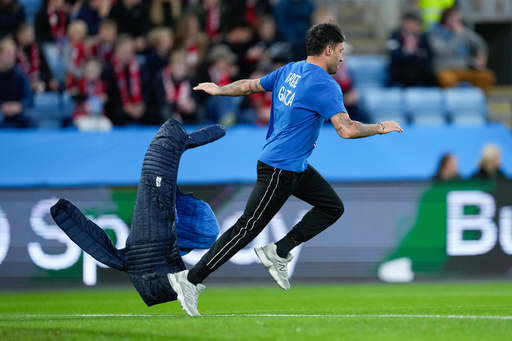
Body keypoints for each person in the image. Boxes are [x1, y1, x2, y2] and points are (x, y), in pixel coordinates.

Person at [168, 20, 403, 316]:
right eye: (340, 51)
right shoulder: (325, 84)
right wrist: (381, 127)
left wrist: (218, 90)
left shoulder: (290, 70)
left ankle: (279, 250)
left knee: (332, 207)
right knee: (245, 229)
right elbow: (347, 129)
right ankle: (189, 280)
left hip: (292, 166)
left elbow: (250, 86)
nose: (342, 58)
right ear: (328, 50)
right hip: (280, 169)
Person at [428, 6, 495, 94]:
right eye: (454, 19)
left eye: (458, 19)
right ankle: (455, 103)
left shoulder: (463, 31)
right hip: (445, 69)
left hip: (465, 68)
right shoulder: (435, 33)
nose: (457, 22)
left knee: (486, 76)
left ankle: (476, 101)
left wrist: (481, 61)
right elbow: (442, 51)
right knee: (448, 80)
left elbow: (481, 45)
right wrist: (457, 36)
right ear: (446, 19)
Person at [387, 12, 438, 87]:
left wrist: (409, 53)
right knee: (409, 75)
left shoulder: (423, 36)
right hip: (401, 68)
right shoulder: (395, 35)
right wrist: (416, 54)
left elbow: (429, 54)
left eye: (414, 23)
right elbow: (394, 55)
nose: (411, 26)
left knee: (432, 77)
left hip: (419, 68)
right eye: (409, 23)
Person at [14, 23, 60, 93]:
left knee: (53, 85)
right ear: (19, 35)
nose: (31, 36)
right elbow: (16, 73)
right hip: (23, 84)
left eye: (31, 33)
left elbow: (45, 67)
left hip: (39, 80)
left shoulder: (37, 47)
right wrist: (30, 82)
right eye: (28, 34)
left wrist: (49, 80)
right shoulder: (15, 51)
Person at [0, 38, 35, 128]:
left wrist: (19, 106)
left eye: (13, 55)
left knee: (31, 117)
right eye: (8, 55)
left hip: (17, 111)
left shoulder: (20, 75)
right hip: (1, 111)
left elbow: (29, 97)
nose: (11, 58)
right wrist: (2, 106)